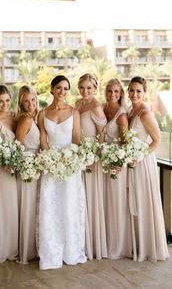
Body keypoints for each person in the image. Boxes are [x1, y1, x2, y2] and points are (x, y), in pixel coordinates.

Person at [38, 75, 87, 270]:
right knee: (51, 208)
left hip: (70, 166)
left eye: (66, 88)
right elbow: (43, 140)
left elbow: (76, 138)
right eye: (58, 88)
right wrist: (50, 158)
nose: (62, 92)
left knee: (69, 205)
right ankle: (52, 253)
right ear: (51, 89)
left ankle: (71, 250)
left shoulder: (74, 112)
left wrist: (68, 159)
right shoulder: (42, 113)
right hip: (50, 166)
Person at [127, 76, 169, 261]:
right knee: (133, 201)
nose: (134, 94)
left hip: (143, 163)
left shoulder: (145, 113)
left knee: (143, 201)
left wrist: (139, 156)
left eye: (138, 91)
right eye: (132, 90)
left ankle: (148, 247)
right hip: (131, 162)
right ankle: (136, 243)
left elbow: (157, 141)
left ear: (144, 93)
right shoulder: (129, 110)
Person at [75, 73, 107, 260]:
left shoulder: (96, 107)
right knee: (79, 201)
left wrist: (94, 158)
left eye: (89, 88)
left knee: (89, 200)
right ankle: (79, 241)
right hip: (77, 157)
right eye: (82, 87)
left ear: (95, 88)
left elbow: (102, 134)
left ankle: (92, 244)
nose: (85, 91)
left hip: (90, 160)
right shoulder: (77, 104)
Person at [0, 85, 19, 263]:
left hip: (13, 167)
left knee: (13, 206)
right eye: (0, 101)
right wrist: (5, 162)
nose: (4, 104)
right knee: (5, 205)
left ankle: (14, 245)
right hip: (1, 169)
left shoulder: (13, 117)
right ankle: (5, 248)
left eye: (7, 100)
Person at [103, 78, 132, 259]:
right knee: (106, 203)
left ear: (121, 93)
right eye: (109, 91)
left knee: (117, 203)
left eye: (116, 91)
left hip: (116, 165)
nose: (112, 95)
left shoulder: (121, 115)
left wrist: (119, 163)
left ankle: (118, 245)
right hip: (103, 162)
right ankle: (105, 241)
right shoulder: (103, 108)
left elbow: (125, 142)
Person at [15, 85, 40, 264]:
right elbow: (18, 146)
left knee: (34, 209)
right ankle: (27, 250)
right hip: (28, 167)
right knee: (29, 208)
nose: (30, 103)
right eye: (26, 101)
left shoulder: (34, 118)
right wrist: (27, 165)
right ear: (21, 104)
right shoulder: (26, 120)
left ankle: (34, 247)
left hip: (36, 165)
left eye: (32, 99)